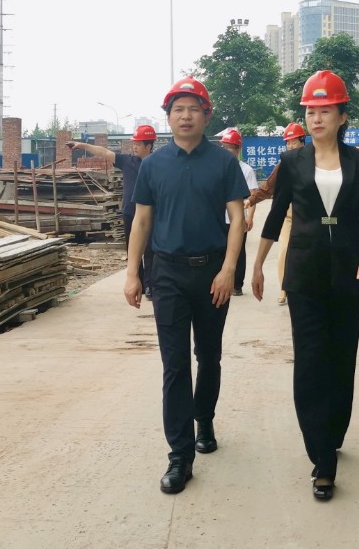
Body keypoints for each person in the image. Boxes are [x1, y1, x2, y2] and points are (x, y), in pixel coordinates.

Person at [251, 70, 359, 502]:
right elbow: (276, 214)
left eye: (325, 110)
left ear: (342, 116)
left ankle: (334, 432)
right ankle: (322, 459)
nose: (316, 118)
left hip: (347, 274)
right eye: (311, 111)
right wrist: (258, 264)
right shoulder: (292, 162)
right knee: (310, 362)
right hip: (304, 275)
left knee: (342, 360)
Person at [124, 77, 249, 496]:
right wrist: (132, 272)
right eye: (178, 109)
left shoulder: (223, 163)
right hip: (168, 274)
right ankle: (179, 456)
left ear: (206, 115)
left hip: (212, 272)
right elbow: (142, 220)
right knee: (175, 365)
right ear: (168, 117)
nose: (186, 116)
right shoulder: (153, 165)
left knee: (208, 355)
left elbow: (238, 219)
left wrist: (228, 269)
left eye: (194, 108)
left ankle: (204, 419)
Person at [67, 125, 157, 295]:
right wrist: (82, 145)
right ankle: (138, 283)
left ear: (148, 146)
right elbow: (104, 152)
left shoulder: (157, 164)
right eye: (134, 143)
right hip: (130, 212)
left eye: (138, 144)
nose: (134, 147)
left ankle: (150, 285)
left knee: (151, 249)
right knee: (133, 250)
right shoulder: (127, 161)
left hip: (150, 213)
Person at [246, 122, 307, 305]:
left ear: (302, 141)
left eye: (294, 142)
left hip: (309, 218)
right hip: (289, 218)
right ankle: (283, 288)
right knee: (284, 253)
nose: (290, 146)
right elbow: (268, 188)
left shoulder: (313, 161)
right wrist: (251, 200)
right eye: (288, 143)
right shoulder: (284, 165)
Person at [218, 128, 259, 297]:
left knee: (239, 253)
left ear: (237, 149)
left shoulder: (246, 170)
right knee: (219, 252)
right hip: (219, 219)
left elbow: (253, 195)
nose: (225, 150)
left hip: (238, 219)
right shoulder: (216, 167)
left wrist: (250, 217)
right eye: (224, 147)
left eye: (229, 147)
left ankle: (237, 285)